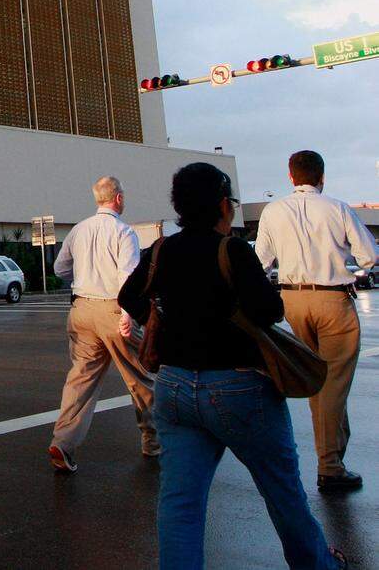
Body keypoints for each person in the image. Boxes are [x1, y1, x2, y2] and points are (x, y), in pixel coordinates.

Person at [119, 163, 346, 570]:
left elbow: (127, 294)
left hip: (173, 386)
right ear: (223, 205)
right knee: (282, 492)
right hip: (238, 387)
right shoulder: (233, 251)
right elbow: (269, 310)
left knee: (180, 503)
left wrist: (160, 317)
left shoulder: (162, 250)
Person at [254, 149, 377, 492]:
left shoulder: (273, 210)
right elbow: (369, 255)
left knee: (313, 376)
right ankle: (330, 466)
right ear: (322, 177)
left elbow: (259, 261)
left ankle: (333, 453)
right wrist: (355, 272)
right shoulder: (337, 208)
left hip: (291, 299)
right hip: (332, 298)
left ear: (291, 177)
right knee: (334, 382)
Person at [48, 175, 158, 473]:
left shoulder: (79, 230)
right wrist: (127, 315)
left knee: (80, 379)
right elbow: (128, 277)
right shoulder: (124, 232)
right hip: (113, 309)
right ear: (118, 198)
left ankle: (64, 442)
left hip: (81, 310)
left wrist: (84, 280)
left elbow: (59, 269)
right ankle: (153, 441)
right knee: (139, 376)